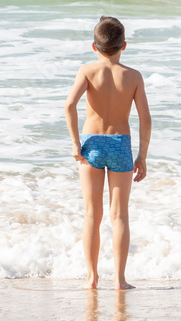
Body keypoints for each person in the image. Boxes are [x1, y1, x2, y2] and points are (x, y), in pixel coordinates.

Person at [64, 16, 151, 290]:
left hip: (92, 144)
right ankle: (120, 280)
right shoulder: (133, 76)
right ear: (124, 45)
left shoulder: (87, 71)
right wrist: (142, 156)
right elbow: (146, 119)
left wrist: (76, 143)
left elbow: (69, 105)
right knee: (120, 215)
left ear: (94, 46)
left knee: (92, 214)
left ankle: (91, 279)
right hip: (120, 145)